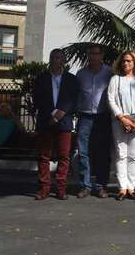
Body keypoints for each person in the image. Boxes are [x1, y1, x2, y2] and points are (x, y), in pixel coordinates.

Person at [33, 49, 79, 200]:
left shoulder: (71, 79)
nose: (55, 60)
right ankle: (44, 188)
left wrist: (61, 112)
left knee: (64, 156)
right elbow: (37, 99)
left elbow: (75, 100)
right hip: (45, 121)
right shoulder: (41, 78)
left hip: (64, 122)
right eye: (53, 57)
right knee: (43, 156)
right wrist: (52, 114)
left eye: (58, 57)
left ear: (64, 61)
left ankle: (61, 189)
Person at [108, 51, 135, 201]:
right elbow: (111, 99)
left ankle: (131, 188)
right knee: (121, 154)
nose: (126, 63)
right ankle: (122, 188)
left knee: (133, 155)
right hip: (120, 120)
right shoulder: (115, 79)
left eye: (129, 61)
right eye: (124, 61)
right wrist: (121, 118)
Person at [76, 44, 114, 198]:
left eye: (96, 54)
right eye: (90, 54)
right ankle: (85, 186)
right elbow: (76, 94)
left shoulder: (109, 72)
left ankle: (101, 186)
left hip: (103, 116)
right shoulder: (81, 74)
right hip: (85, 116)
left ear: (102, 55)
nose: (93, 56)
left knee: (102, 152)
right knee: (83, 152)